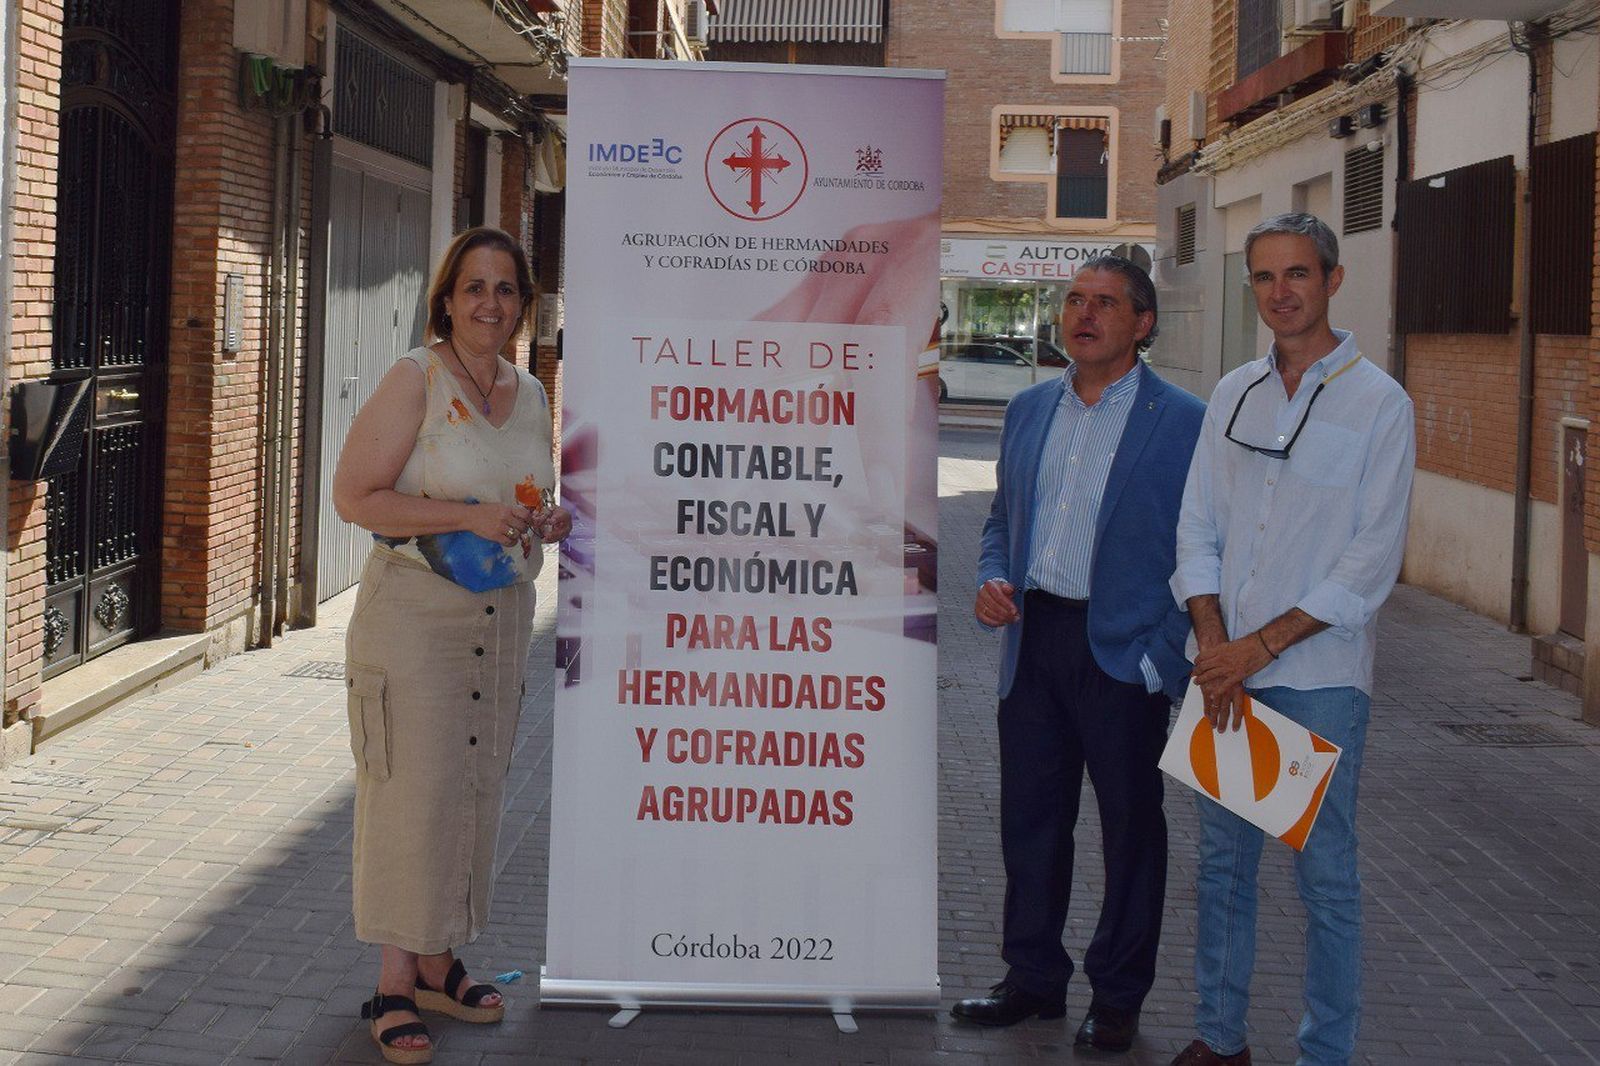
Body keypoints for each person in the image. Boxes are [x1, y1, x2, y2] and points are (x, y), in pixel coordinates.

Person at [1168, 213, 1414, 1066]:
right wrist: (1214, 642)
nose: (1281, 293)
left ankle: (1325, 1055)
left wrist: (1255, 649)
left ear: (1333, 280)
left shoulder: (1380, 405)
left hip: (1318, 679)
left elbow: (1368, 562)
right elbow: (1196, 526)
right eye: (1266, 277)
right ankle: (1221, 1039)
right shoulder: (1232, 393)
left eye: (1298, 275)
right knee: (1224, 871)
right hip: (1224, 671)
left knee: (1326, 884)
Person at [332, 226, 571, 1065]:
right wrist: (468, 515)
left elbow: (524, 491)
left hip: (499, 620)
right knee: (413, 794)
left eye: (506, 289)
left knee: (473, 790)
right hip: (415, 619)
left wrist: (545, 519)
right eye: (475, 287)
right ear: (447, 297)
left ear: (523, 304)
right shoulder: (417, 378)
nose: (491, 303)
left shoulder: (530, 392)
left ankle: (439, 960)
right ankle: (395, 983)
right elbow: (354, 497)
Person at [955, 256, 1205, 1053]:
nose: (1083, 315)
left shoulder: (1183, 421)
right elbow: (999, 521)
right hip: (1034, 644)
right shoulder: (1030, 410)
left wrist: (1161, 655)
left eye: (1105, 303)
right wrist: (995, 576)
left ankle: (1119, 996)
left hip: (1122, 654)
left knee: (1132, 830)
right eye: (1074, 301)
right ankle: (1032, 980)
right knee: (1031, 823)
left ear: (1143, 323)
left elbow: (1204, 548)